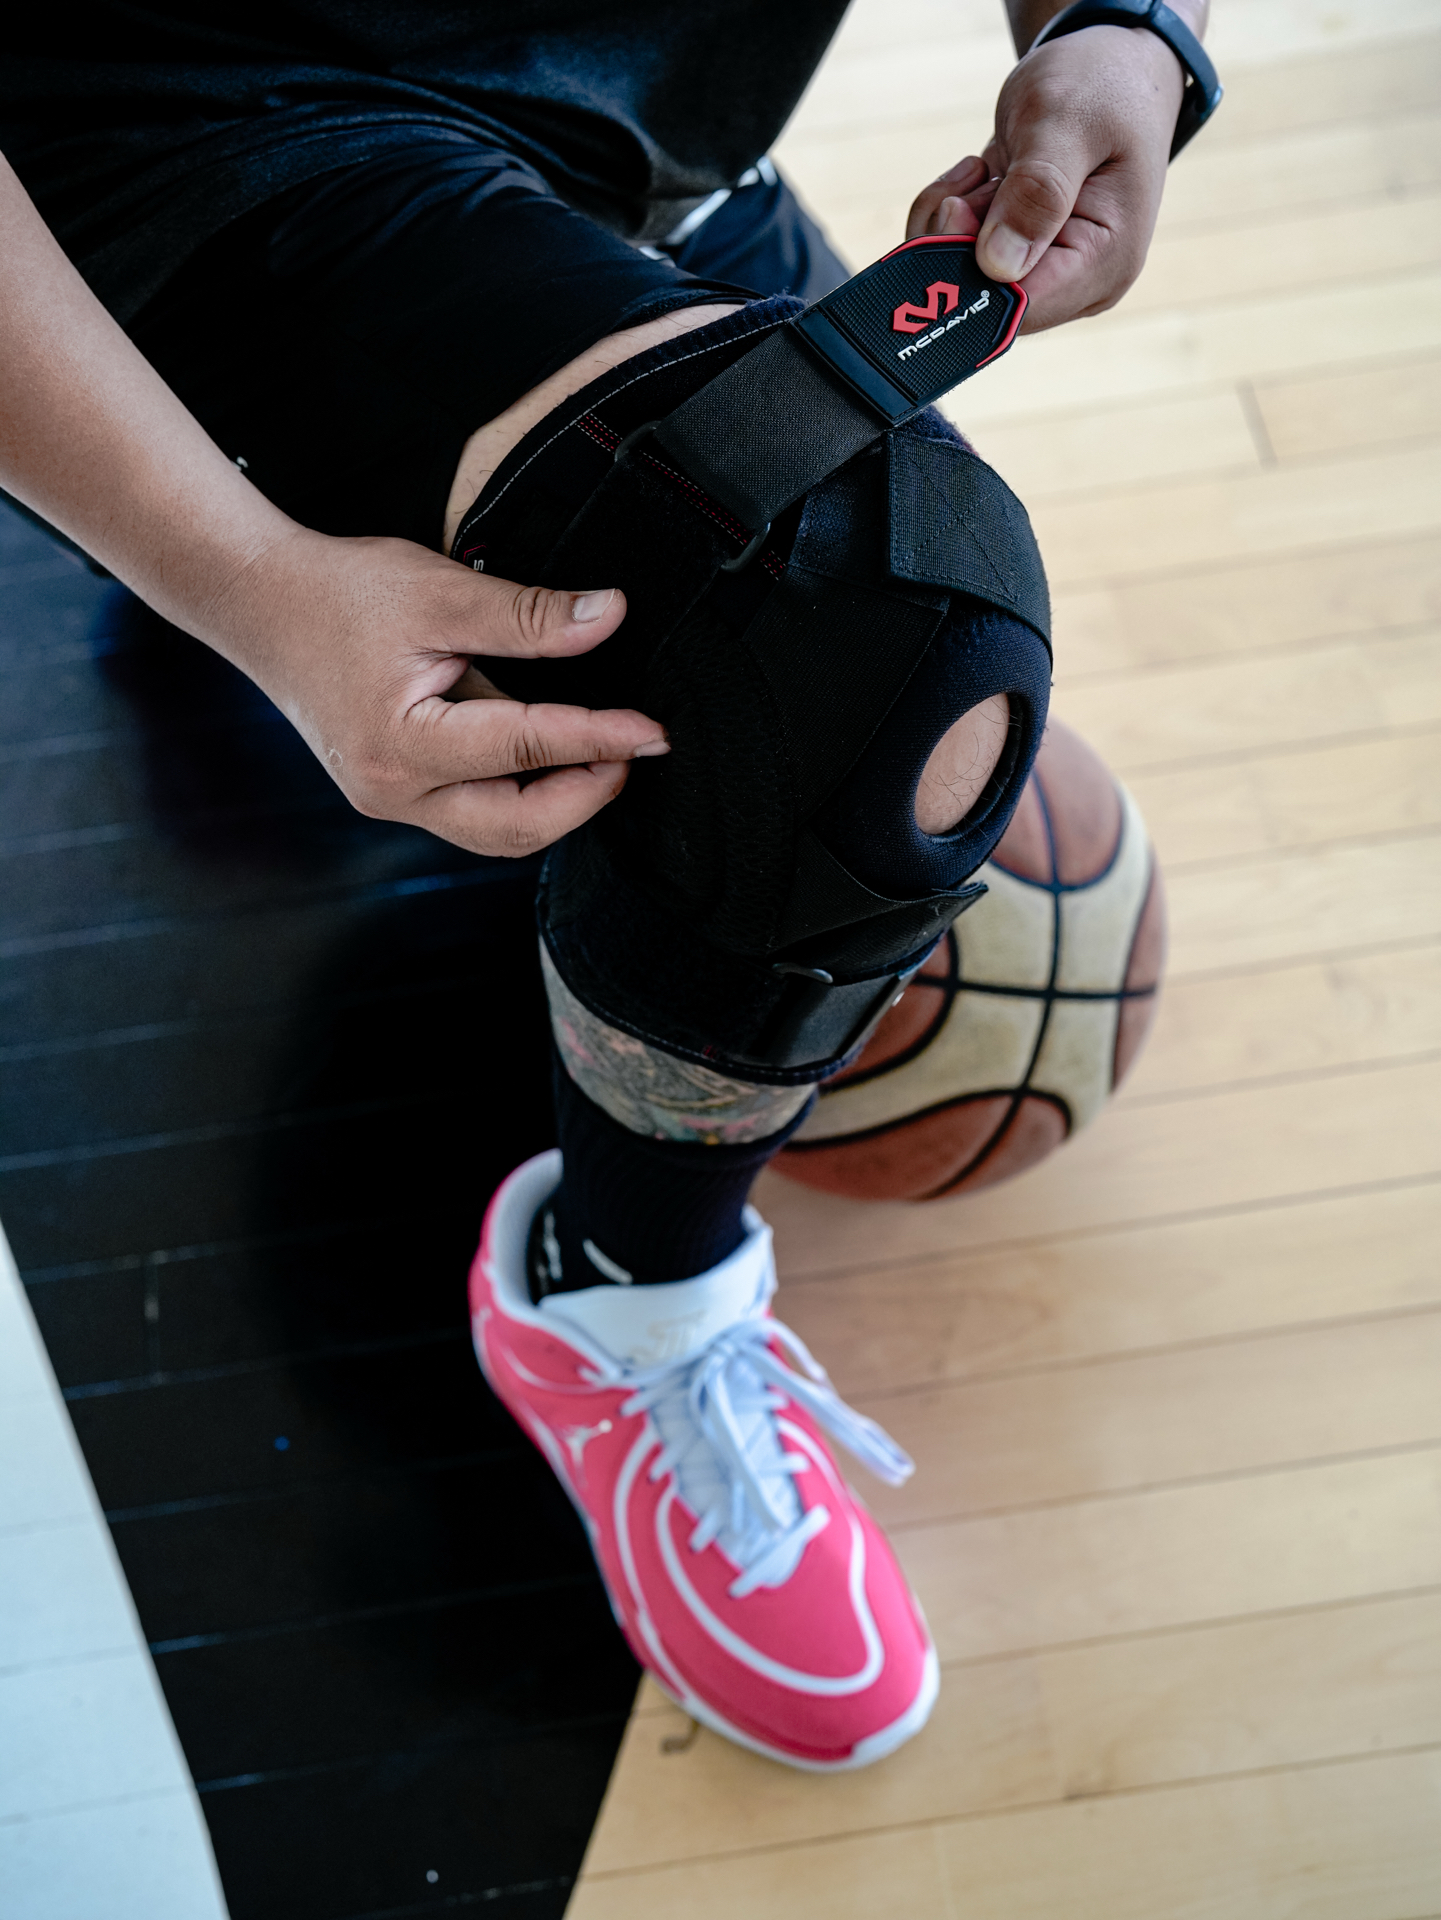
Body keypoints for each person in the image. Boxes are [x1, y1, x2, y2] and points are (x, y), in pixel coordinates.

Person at [0, 0, 1212, 1769]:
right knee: (880, 615)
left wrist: (1123, 30)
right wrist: (241, 581)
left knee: (814, 689)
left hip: (638, 113)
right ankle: (616, 1291)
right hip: (188, 114)